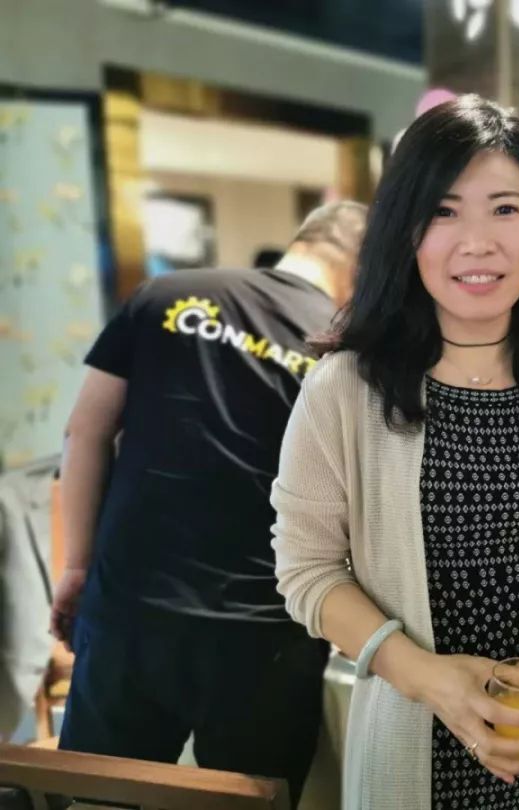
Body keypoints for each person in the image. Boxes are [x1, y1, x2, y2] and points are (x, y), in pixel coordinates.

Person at [270, 95, 519, 810]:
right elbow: (306, 569)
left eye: (505, 209)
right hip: (409, 745)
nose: (478, 242)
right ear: (405, 232)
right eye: (443, 211)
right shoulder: (346, 390)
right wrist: (426, 678)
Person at [52, 201, 368, 805]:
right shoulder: (344, 350)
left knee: (99, 798)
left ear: (302, 241)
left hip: (131, 611)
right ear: (364, 269)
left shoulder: (165, 295)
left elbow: (85, 432)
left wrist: (76, 566)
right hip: (268, 635)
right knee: (247, 801)